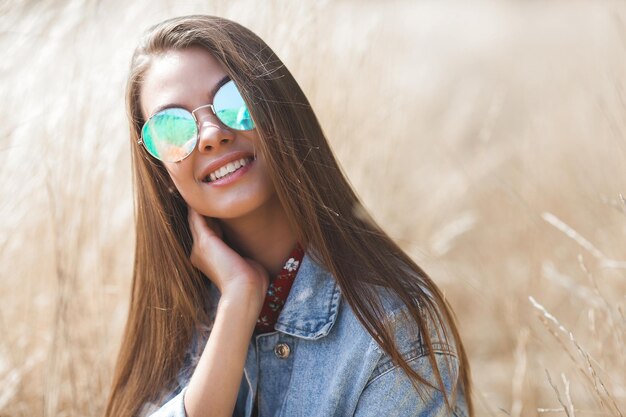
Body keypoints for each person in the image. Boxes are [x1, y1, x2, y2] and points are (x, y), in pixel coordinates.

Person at [105, 14, 473, 417]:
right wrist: (238, 300)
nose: (211, 134)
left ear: (279, 112)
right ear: (164, 174)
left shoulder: (392, 327)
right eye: (171, 127)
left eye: (234, 101)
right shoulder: (174, 322)